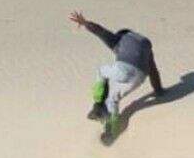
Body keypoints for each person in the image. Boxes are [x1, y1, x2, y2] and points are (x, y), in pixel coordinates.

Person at [69, 12, 165, 145]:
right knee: (113, 99)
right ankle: (110, 133)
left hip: (124, 68)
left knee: (101, 72)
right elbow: (153, 71)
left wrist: (85, 23)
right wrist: (159, 91)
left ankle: (98, 106)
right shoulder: (145, 44)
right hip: (140, 77)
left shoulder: (120, 39)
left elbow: (100, 31)